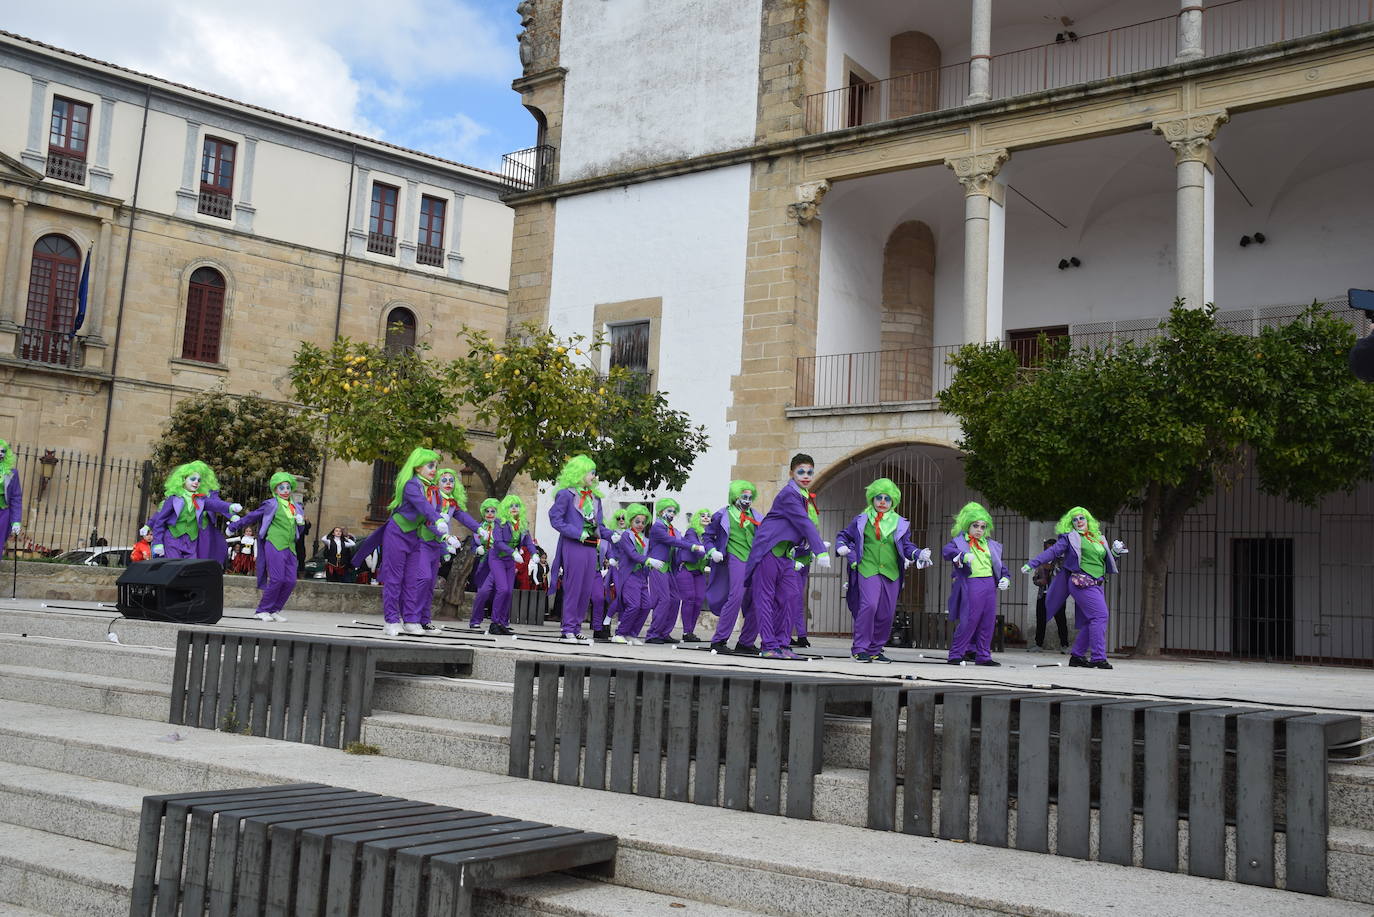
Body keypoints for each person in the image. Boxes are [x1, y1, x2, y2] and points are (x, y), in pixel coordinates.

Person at [352, 447, 451, 636]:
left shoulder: (432, 490)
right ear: (418, 467)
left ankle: (411, 620)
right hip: (397, 533)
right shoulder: (411, 485)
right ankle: (391, 620)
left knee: (411, 579)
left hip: (414, 536)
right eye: (430, 465)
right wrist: (437, 519)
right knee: (394, 578)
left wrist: (444, 535)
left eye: (435, 466)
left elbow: (429, 518)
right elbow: (423, 507)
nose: (434, 469)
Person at [835, 478, 932, 663]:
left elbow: (906, 546)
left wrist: (918, 553)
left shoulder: (901, 523)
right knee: (869, 605)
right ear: (872, 498)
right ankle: (860, 647)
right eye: (878, 497)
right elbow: (844, 536)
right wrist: (841, 546)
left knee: (886, 612)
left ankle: (875, 649)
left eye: (887, 498)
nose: (882, 501)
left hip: (891, 572)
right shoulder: (861, 520)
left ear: (892, 501)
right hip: (867, 568)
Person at [746, 454, 832, 661]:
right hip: (768, 550)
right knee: (765, 599)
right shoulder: (788, 495)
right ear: (791, 473)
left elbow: (799, 527)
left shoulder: (802, 496)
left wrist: (810, 547)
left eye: (809, 472)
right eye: (801, 471)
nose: (806, 476)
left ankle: (783, 643)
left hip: (786, 555)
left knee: (791, 596)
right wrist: (820, 549)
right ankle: (768, 644)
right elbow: (803, 522)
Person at [1023, 507, 1128, 670]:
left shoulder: (1098, 538)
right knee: (1100, 616)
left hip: (1097, 583)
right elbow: (1053, 551)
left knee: (1090, 620)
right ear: (1070, 523)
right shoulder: (1070, 538)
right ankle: (1098, 657)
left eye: (1082, 518)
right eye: (1075, 519)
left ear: (1088, 520)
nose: (1079, 521)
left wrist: (1115, 552)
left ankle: (1077, 656)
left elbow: (1102, 560)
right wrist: (1032, 563)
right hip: (1081, 582)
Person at [546, 455, 613, 643]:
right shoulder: (566, 494)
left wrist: (612, 535)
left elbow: (600, 525)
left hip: (592, 547)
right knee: (574, 586)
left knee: (586, 589)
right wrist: (577, 533)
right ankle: (567, 628)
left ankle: (576, 627)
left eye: (594, 473)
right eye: (591, 472)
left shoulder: (595, 498)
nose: (594, 476)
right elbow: (555, 520)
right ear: (580, 473)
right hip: (573, 545)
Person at [227, 472, 304, 622]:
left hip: (290, 547)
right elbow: (252, 516)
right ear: (275, 490)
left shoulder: (296, 508)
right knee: (277, 579)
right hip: (274, 544)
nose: (286, 490)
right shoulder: (271, 504)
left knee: (290, 581)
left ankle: (274, 609)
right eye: (281, 487)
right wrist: (234, 526)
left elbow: (299, 533)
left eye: (288, 487)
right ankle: (262, 610)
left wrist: (301, 523)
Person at [941, 502, 1010, 666]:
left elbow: (1000, 565)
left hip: (989, 584)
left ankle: (983, 656)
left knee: (988, 620)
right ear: (967, 525)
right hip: (971, 583)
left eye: (983, 526)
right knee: (969, 620)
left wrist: (1006, 577)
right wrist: (962, 555)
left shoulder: (990, 544)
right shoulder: (959, 541)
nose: (979, 529)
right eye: (975, 525)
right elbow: (946, 551)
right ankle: (956, 654)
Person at [704, 481, 762, 655]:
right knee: (736, 597)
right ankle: (719, 640)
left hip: (754, 560)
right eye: (744, 497)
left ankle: (746, 642)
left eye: (750, 497)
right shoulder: (723, 515)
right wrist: (712, 550)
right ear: (735, 497)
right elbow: (707, 536)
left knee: (758, 600)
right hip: (734, 557)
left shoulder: (757, 516)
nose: (747, 500)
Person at [642, 498, 707, 644]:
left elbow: (677, 542)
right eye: (669, 511)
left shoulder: (671, 528)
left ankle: (664, 633)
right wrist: (693, 547)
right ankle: (653, 634)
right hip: (658, 566)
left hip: (669, 567)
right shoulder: (658, 527)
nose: (672, 514)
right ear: (660, 511)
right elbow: (672, 541)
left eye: (673, 511)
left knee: (675, 599)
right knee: (664, 600)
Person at [149, 461, 242, 561]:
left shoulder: (201, 499)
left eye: (199, 480)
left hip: (191, 540)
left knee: (190, 568)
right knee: (173, 566)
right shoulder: (174, 498)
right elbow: (160, 521)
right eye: (193, 479)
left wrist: (230, 507)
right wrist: (158, 542)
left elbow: (216, 504)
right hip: (173, 538)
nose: (196, 482)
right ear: (183, 479)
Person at [486, 494, 537, 635]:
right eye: (511, 506)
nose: (514, 508)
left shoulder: (522, 524)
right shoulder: (499, 522)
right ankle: (494, 623)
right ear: (505, 508)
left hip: (509, 561)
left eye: (517, 506)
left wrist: (534, 553)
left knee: (509, 591)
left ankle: (502, 622)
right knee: (502, 589)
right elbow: (498, 542)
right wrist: (513, 552)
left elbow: (528, 542)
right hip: (497, 559)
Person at [610, 503, 652, 644]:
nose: (640, 525)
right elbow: (633, 555)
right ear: (631, 521)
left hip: (642, 577)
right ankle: (620, 633)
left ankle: (632, 634)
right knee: (633, 605)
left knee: (646, 605)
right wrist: (649, 560)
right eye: (637, 521)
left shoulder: (644, 540)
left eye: (643, 522)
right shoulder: (626, 536)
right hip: (629, 576)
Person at [674, 509, 712, 642]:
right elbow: (698, 549)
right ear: (697, 518)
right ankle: (686, 632)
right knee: (689, 599)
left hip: (699, 571)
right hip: (686, 568)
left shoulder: (709, 535)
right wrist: (710, 551)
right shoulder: (692, 532)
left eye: (708, 516)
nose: (706, 518)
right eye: (703, 516)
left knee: (699, 600)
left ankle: (690, 631)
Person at [1028, 537, 1068, 653]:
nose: (1049, 552)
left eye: (1051, 550)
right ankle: (1038, 644)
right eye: (1047, 549)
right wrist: (1039, 581)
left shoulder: (1061, 561)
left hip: (1057, 595)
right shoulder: (1041, 562)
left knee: (1061, 620)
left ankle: (1064, 645)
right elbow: (1035, 579)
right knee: (1040, 619)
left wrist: (1049, 568)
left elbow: (1061, 573)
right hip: (1043, 594)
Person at [468, 497, 502, 629]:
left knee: (500, 592)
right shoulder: (478, 528)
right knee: (482, 592)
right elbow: (472, 546)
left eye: (493, 511)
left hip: (499, 562)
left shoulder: (502, 527)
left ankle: (499, 622)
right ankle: (475, 620)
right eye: (487, 511)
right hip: (483, 563)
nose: (489, 513)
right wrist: (477, 549)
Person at [0, 440, 20, 556]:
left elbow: (16, 497)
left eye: (3, 451)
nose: (0, 454)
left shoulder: (12, 473)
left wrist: (16, 521)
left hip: (3, 513)